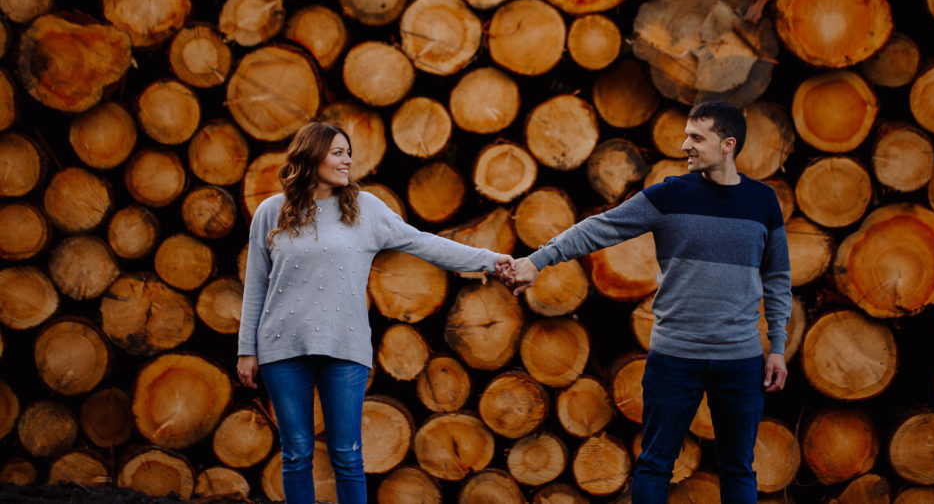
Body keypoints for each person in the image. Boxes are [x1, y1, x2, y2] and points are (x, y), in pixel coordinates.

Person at [501, 101, 791, 503]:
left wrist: (777, 346)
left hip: (739, 363)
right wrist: (538, 259)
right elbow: (598, 229)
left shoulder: (763, 203)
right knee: (655, 464)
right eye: (686, 134)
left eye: (696, 137)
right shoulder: (669, 196)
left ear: (728, 145)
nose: (684, 144)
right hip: (674, 360)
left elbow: (777, 277)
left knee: (738, 468)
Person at [237, 122, 513, 504]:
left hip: (344, 349)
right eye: (337, 152)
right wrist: (246, 350)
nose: (347, 160)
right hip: (282, 349)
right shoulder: (272, 211)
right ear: (311, 154)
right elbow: (256, 284)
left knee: (347, 455)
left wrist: (491, 261)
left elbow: (426, 244)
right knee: (296, 453)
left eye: (348, 152)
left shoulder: (365, 210)